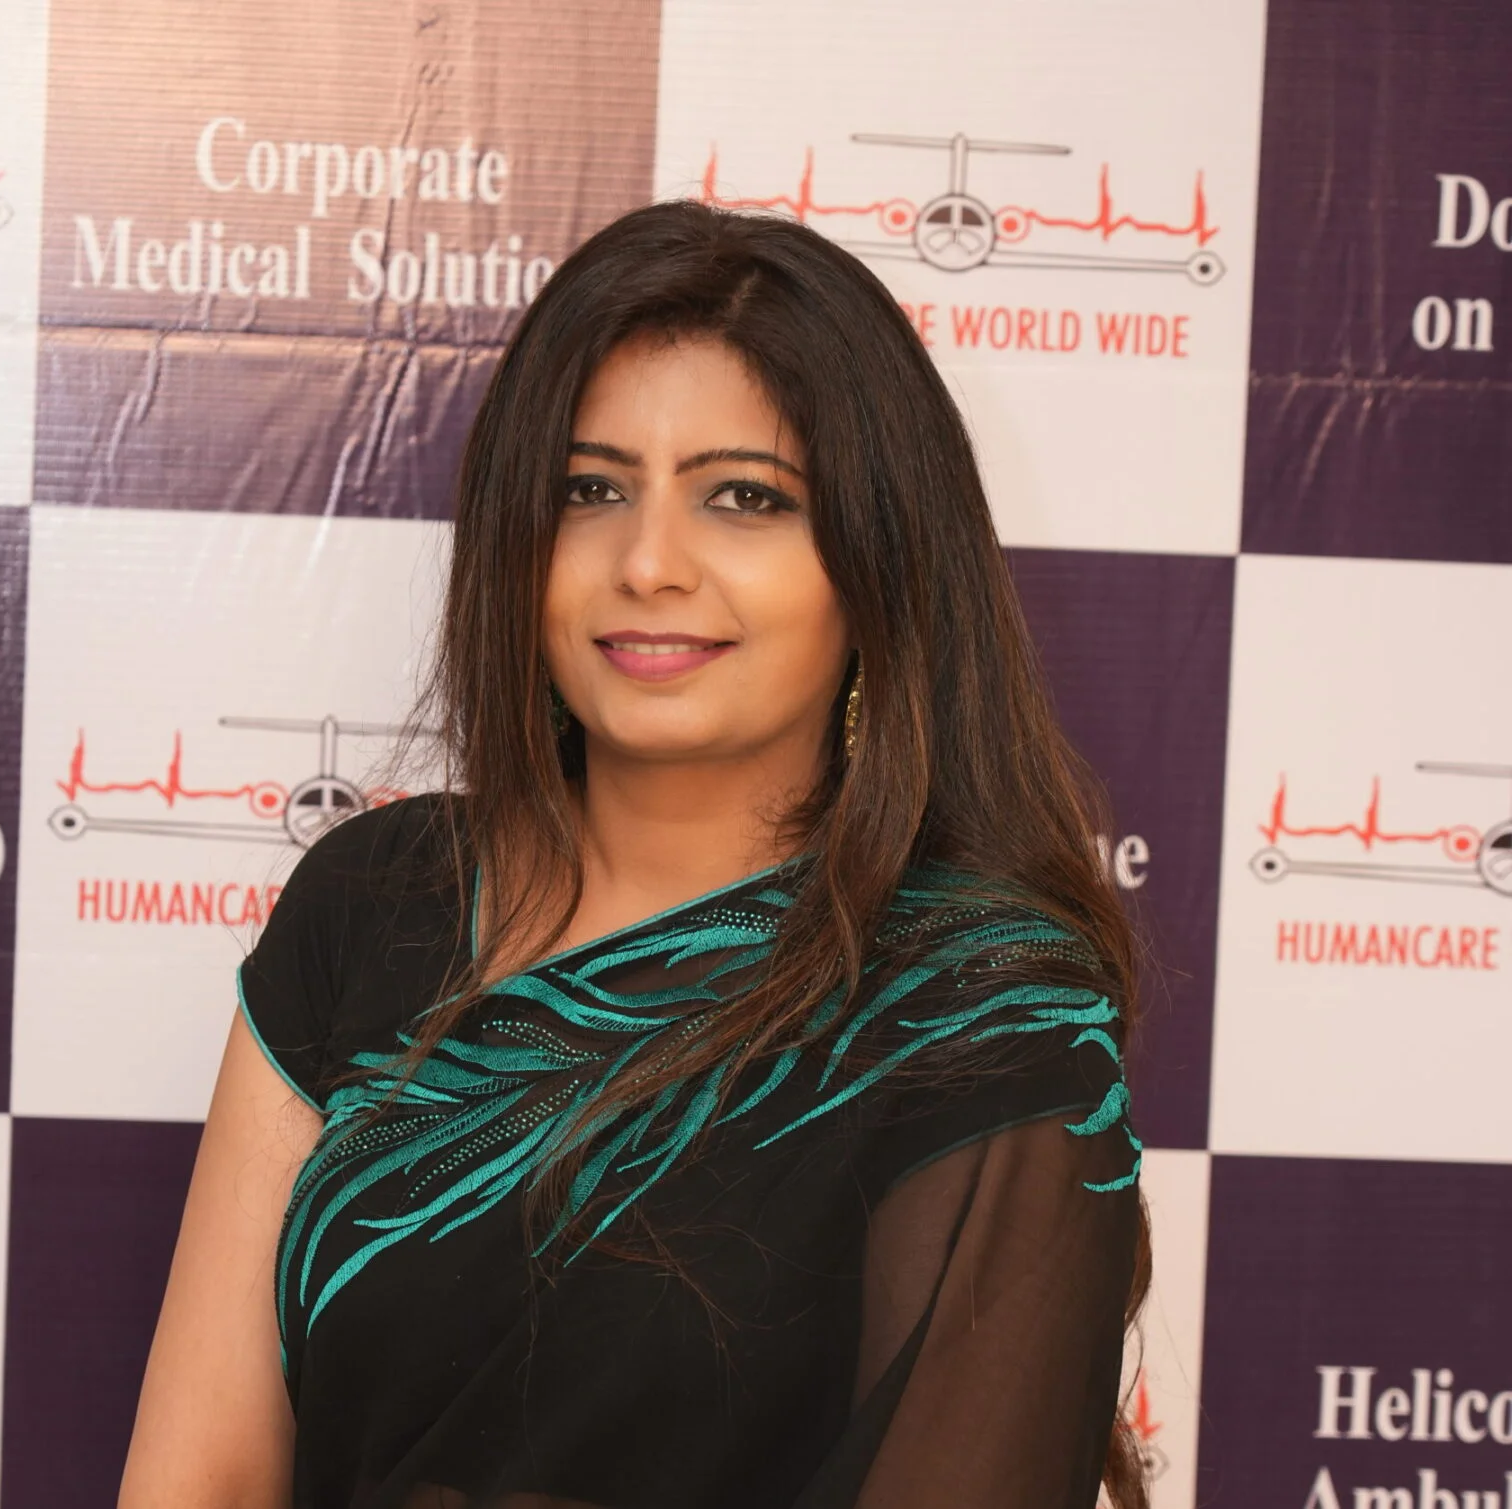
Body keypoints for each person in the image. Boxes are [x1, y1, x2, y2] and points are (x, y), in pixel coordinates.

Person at [119, 199, 1151, 1509]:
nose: (649, 561)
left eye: (744, 498)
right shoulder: (375, 902)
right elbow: (199, 1476)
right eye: (590, 490)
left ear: (877, 563)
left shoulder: (983, 1014)